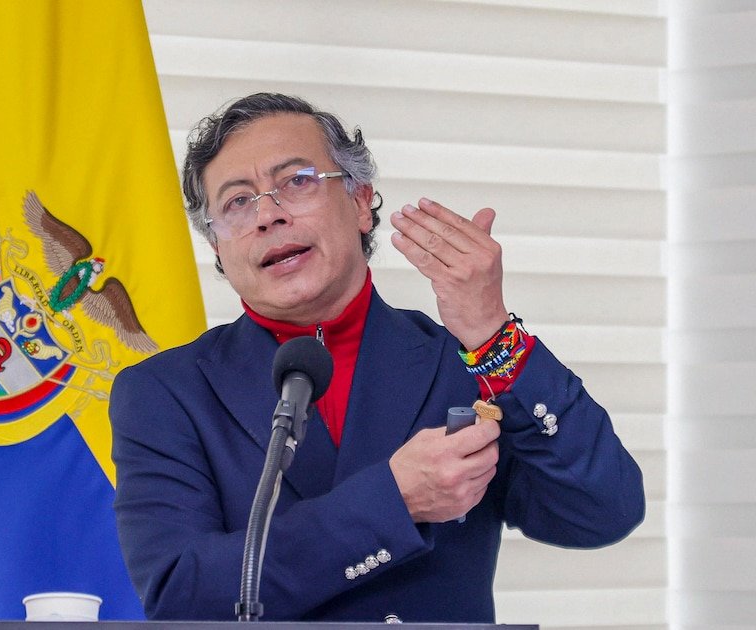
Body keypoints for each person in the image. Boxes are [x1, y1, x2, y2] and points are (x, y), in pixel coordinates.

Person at [108, 92, 645, 623]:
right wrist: (393, 501)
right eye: (237, 203)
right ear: (218, 248)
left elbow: (601, 511)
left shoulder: (467, 362)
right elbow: (180, 594)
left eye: (296, 182)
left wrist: (491, 331)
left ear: (361, 202)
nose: (267, 215)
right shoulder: (165, 392)